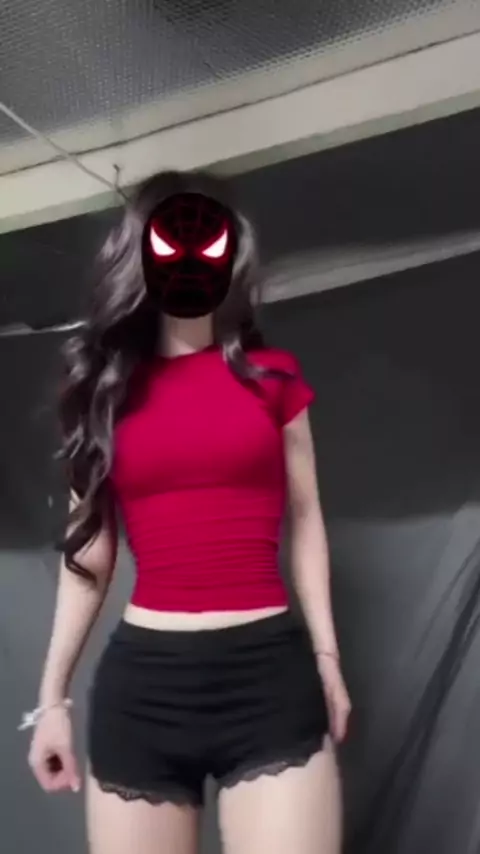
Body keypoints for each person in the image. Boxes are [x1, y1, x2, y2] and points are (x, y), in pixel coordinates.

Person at [24, 169, 351, 854]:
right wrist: (52, 699)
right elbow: (89, 556)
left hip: (268, 678)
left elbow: (307, 521)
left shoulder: (274, 376)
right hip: (145, 691)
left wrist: (327, 655)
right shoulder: (104, 394)